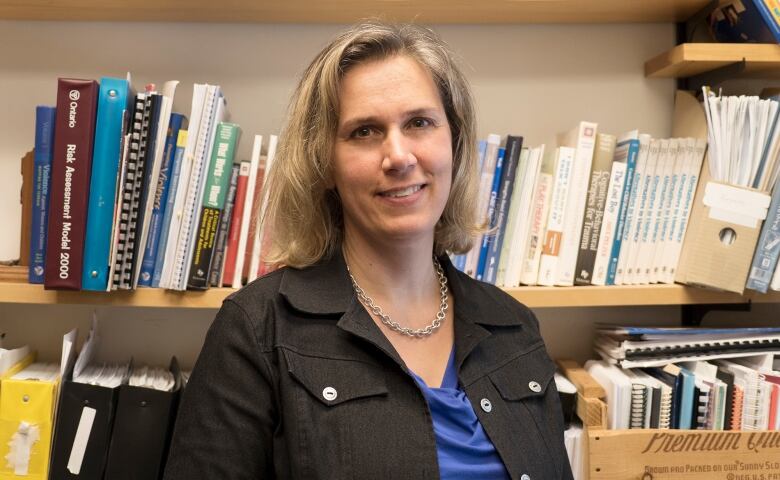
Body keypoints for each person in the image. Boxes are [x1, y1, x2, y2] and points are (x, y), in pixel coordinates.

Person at [164, 21, 573, 480]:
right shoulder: (256, 330)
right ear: (324, 165)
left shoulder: (514, 324)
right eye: (364, 131)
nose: (399, 156)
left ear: (453, 143)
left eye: (419, 123)